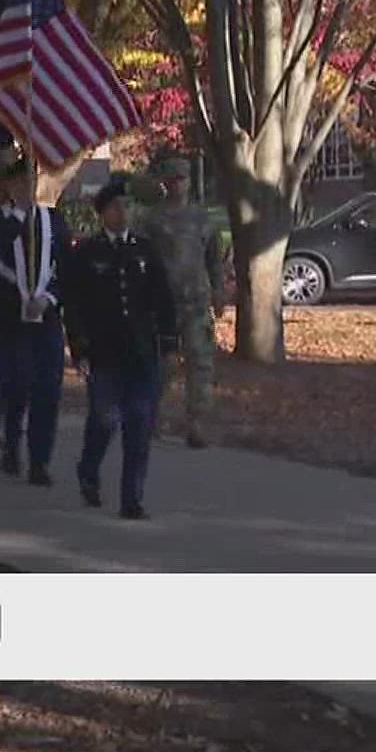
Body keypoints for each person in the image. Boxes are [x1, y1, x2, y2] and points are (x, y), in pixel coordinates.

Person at [67, 178, 179, 519]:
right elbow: (75, 306)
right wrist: (80, 349)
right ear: (103, 213)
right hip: (104, 354)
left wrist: (170, 343)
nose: (123, 212)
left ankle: (132, 498)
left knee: (139, 424)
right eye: (116, 207)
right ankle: (88, 469)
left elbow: (163, 300)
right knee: (104, 419)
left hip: (141, 353)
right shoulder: (87, 253)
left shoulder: (144, 250)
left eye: (127, 206)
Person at [0, 155, 72, 485]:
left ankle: (39, 460)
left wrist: (48, 298)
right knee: (16, 385)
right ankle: (10, 445)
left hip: (44, 318)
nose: (28, 187)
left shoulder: (54, 222)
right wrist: (22, 220)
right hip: (9, 319)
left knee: (47, 389)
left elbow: (67, 269)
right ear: (11, 185)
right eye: (21, 182)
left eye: (32, 181)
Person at [137, 157, 224, 447]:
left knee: (200, 364)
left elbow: (214, 258)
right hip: (163, 304)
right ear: (165, 182)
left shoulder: (201, 218)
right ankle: (152, 419)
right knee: (163, 365)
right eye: (173, 179)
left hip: (196, 301)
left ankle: (196, 424)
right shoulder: (152, 220)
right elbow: (141, 260)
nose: (178, 184)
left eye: (182, 179)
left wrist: (219, 292)